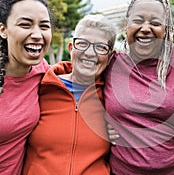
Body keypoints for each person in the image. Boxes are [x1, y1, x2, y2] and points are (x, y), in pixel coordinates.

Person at [104, 0, 174, 174]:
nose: (145, 28)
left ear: (166, 28)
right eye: (138, 21)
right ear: (126, 25)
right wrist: (99, 123)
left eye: (155, 23)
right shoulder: (111, 63)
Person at [22, 14, 116, 174]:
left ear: (110, 56)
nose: (90, 53)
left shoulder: (113, 100)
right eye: (82, 44)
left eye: (100, 47)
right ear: (71, 48)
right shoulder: (39, 86)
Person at [0, 0, 53, 175]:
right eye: (25, 24)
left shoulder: (43, 71)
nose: (37, 34)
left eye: (44, 26)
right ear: (3, 30)